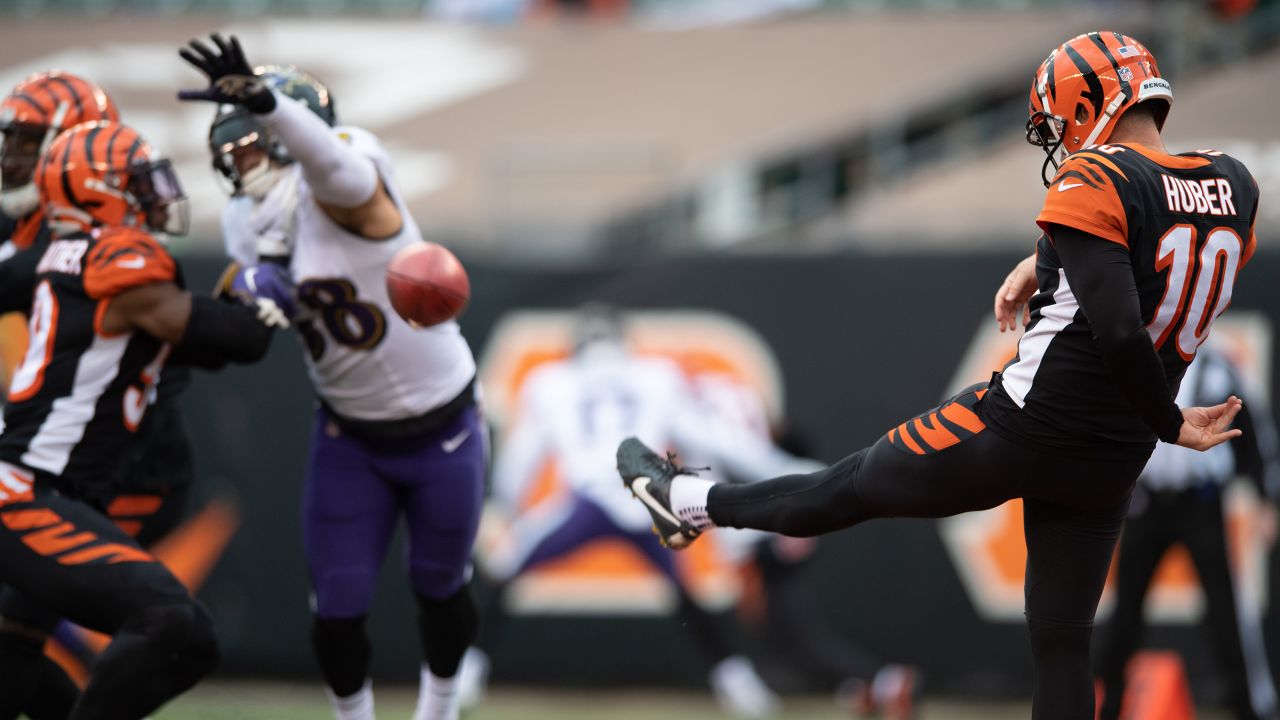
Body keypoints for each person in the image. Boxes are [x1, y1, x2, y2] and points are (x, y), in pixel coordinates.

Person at [616, 31, 1259, 719]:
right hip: (1110, 457)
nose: (1060, 142)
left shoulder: (1095, 179)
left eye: (1059, 119)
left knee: (845, 487)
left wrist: (1171, 423)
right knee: (1064, 650)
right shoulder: (1234, 184)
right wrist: (1048, 260)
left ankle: (685, 501)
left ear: (1089, 101)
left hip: (1024, 426)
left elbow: (1119, 323)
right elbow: (1155, 254)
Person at [179, 34, 487, 720]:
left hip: (443, 422)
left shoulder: (348, 177)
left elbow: (333, 169)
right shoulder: (242, 217)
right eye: (234, 151)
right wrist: (250, 297)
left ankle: (437, 713)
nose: (241, 161)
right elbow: (258, 315)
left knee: (440, 587)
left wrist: (267, 102)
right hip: (349, 431)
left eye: (254, 142)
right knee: (338, 606)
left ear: (293, 134)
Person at [0, 118, 275, 719]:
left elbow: (208, 341)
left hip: (41, 490)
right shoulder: (115, 262)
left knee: (19, 654)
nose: (156, 196)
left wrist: (247, 307)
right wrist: (274, 291)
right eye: (139, 184)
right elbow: (229, 336)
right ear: (99, 191)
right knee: (169, 620)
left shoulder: (78, 258)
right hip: (26, 493)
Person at [468, 305, 780, 719]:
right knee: (688, 594)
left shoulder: (552, 382)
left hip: (585, 501)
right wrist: (774, 470)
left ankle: (466, 672)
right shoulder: (656, 375)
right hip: (644, 504)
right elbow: (711, 437)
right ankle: (738, 683)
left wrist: (506, 503)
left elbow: (523, 456)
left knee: (502, 572)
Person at [1095, 344, 1280, 720]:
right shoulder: (1140, 362)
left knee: (1227, 612)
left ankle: (1250, 708)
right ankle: (1106, 705)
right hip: (1148, 503)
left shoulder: (1220, 365)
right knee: (1125, 612)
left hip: (1202, 502)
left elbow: (1254, 427)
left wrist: (1266, 496)